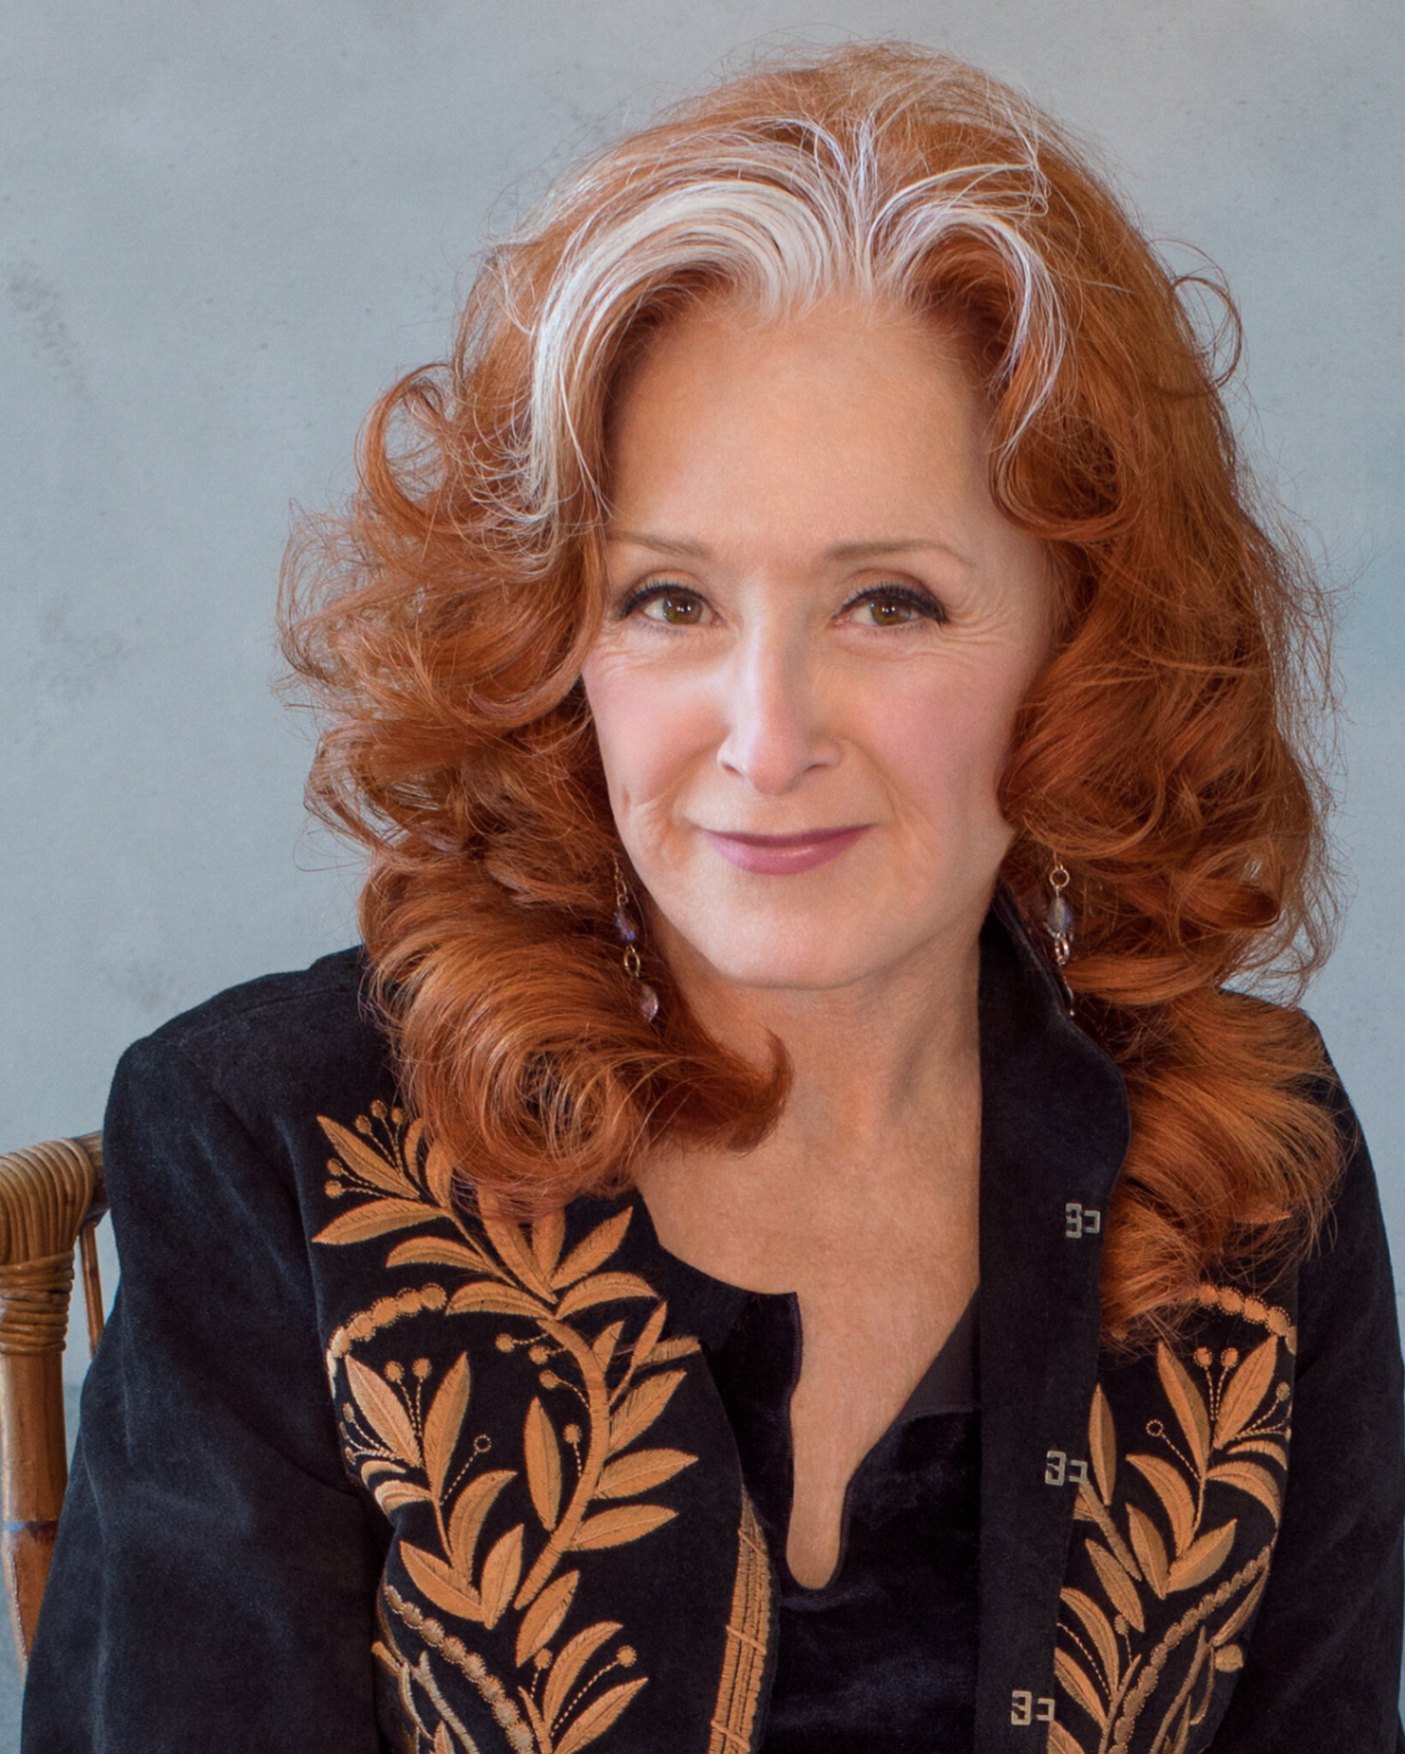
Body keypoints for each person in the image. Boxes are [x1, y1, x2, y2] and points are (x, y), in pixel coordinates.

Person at [22, 41, 1404, 1754]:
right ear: (557, 639)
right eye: (668, 600)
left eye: (888, 602)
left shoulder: (1253, 1165)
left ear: (1081, 645)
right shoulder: (267, 1147)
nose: (765, 736)